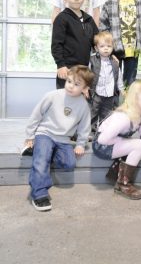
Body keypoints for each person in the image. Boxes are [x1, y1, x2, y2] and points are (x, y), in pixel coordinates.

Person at [23, 65, 94, 212]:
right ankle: (39, 193)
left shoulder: (83, 105)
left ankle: (38, 151)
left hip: (64, 139)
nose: (70, 86)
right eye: (69, 81)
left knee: (69, 163)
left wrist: (80, 144)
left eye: (76, 84)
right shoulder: (53, 95)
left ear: (85, 88)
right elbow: (37, 114)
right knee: (42, 160)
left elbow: (84, 127)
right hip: (45, 133)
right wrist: (30, 135)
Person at [92, 81, 141, 200]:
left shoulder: (140, 117)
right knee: (139, 145)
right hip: (102, 146)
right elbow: (102, 139)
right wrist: (123, 141)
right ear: (135, 98)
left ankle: (119, 168)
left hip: (112, 144)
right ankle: (123, 184)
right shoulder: (124, 118)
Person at [99, 0, 141, 87]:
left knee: (130, 83)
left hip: (134, 50)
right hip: (115, 50)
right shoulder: (109, 3)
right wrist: (110, 44)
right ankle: (113, 106)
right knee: (113, 82)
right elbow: (102, 27)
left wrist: (140, 43)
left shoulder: (140, 3)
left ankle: (128, 105)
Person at [51, 0, 98, 89]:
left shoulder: (89, 19)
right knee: (65, 100)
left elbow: (97, 40)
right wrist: (60, 65)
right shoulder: (62, 18)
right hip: (67, 69)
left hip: (84, 69)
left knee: (81, 99)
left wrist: (111, 54)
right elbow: (56, 44)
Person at [89, 31, 124, 139]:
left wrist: (122, 89)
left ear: (112, 47)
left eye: (109, 46)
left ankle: (103, 132)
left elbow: (119, 76)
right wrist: (86, 87)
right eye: (102, 46)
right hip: (96, 93)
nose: (105, 48)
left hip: (110, 94)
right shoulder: (92, 60)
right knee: (93, 113)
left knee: (107, 115)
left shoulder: (115, 62)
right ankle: (91, 132)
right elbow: (87, 75)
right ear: (96, 48)